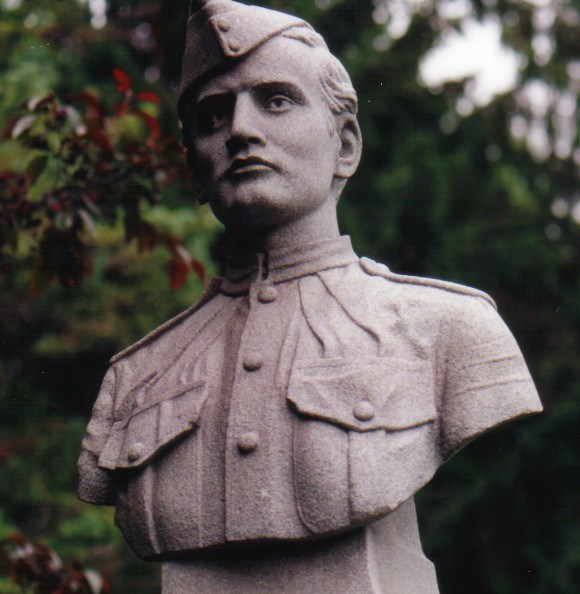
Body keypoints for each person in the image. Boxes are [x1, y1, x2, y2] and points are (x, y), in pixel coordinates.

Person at [78, 1, 543, 592]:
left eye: (276, 101)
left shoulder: (450, 329)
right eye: (213, 116)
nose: (241, 130)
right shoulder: (136, 378)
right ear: (195, 170)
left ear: (345, 146)